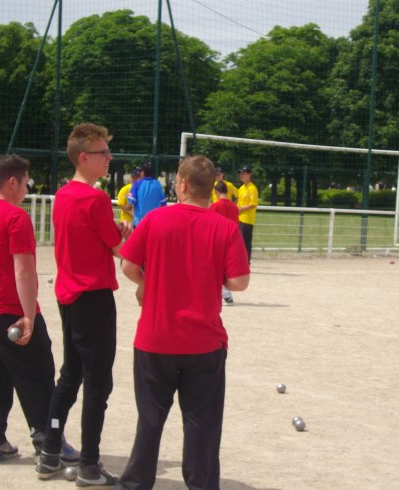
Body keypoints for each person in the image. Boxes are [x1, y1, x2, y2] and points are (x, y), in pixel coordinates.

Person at [116, 155, 250, 490]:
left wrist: (149, 281)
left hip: (155, 339)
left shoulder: (155, 219)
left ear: (184, 185)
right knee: (201, 423)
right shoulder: (225, 227)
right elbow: (239, 282)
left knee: (150, 420)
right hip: (204, 343)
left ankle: (136, 483)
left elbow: (128, 266)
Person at [0, 154, 78, 466]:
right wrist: (28, 315)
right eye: (26, 182)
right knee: (38, 373)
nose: (28, 188)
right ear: (12, 182)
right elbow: (23, 271)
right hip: (8, 309)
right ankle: (49, 442)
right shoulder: (15, 218)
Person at [36, 123, 128, 486]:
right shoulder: (95, 198)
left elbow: (93, 238)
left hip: (69, 296)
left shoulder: (63, 195)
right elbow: (119, 248)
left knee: (71, 375)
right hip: (94, 297)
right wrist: (127, 236)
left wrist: (113, 234)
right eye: (103, 153)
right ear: (84, 158)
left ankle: (49, 451)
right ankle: (89, 464)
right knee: (98, 383)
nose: (109, 158)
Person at [211, 180, 241, 305]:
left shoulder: (215, 206)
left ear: (217, 192)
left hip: (218, 240)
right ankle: (225, 294)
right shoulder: (234, 207)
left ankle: (225, 294)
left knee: (216, 268)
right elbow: (236, 225)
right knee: (226, 269)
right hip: (231, 240)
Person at [128, 162, 166, 229]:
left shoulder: (137, 184)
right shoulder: (158, 184)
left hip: (139, 222)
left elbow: (130, 205)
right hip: (154, 222)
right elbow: (163, 204)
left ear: (142, 172)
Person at [237, 166, 259, 263]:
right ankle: (240, 260)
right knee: (239, 241)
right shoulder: (241, 188)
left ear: (249, 174)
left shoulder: (252, 188)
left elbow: (253, 204)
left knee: (246, 241)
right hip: (239, 218)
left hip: (247, 219)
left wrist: (242, 208)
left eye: (244, 173)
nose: (241, 175)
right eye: (240, 173)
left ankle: (246, 261)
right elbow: (238, 203)